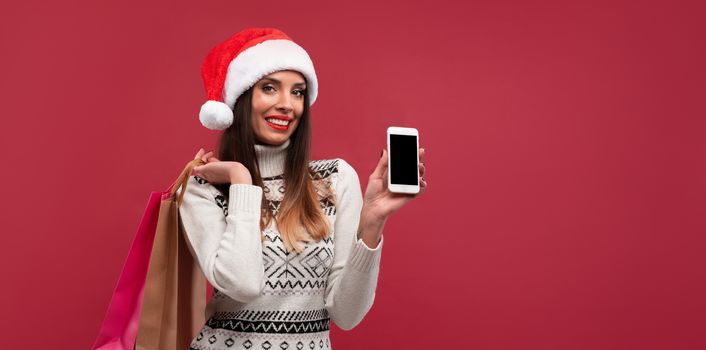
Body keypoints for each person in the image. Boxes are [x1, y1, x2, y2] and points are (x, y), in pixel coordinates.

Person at [176, 27, 427, 350]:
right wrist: (241, 180)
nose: (287, 104)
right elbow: (243, 284)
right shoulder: (204, 189)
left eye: (297, 92)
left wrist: (373, 222)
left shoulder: (334, 178)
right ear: (240, 100)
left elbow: (347, 315)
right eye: (270, 88)